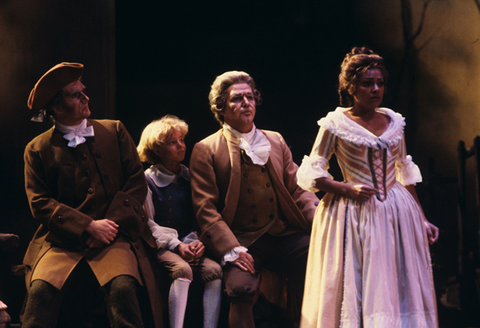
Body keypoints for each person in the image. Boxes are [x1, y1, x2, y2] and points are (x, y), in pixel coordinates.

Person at [297, 47, 439, 327]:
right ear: (350, 87)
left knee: (394, 282)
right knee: (358, 282)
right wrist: (346, 188)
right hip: (352, 213)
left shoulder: (394, 121)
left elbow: (404, 174)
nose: (376, 89)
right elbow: (312, 174)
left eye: (380, 83)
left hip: (396, 212)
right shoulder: (335, 124)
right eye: (367, 83)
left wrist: (421, 218)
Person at [22, 62, 163, 328]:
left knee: (122, 290)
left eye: (83, 90)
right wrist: (87, 226)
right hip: (62, 242)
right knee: (40, 292)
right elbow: (39, 203)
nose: (86, 98)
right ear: (57, 107)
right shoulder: (37, 148)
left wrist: (107, 227)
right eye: (76, 95)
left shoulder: (115, 131)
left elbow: (135, 182)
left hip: (114, 236)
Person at [189, 71, 319, 328]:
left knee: (320, 256)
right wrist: (231, 249)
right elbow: (206, 208)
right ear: (221, 108)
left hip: (282, 235)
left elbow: (298, 189)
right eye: (237, 99)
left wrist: (320, 222)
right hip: (243, 241)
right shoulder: (206, 149)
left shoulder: (275, 139)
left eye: (250, 97)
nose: (246, 103)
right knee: (241, 289)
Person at [137, 115, 223, 328]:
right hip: (161, 246)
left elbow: (199, 216)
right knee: (183, 270)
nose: (181, 146)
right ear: (157, 149)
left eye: (182, 140)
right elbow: (149, 224)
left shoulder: (189, 176)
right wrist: (177, 245)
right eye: (173, 142)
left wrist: (195, 241)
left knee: (215, 271)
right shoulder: (148, 180)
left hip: (187, 243)